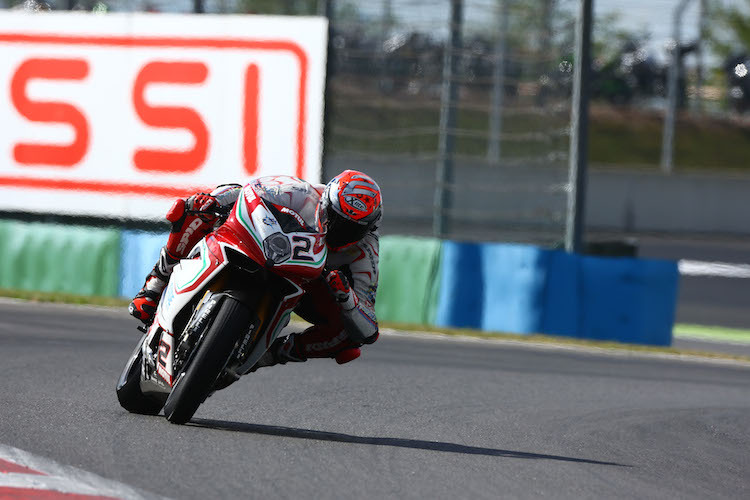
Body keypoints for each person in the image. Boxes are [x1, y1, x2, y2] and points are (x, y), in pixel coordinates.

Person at [129, 170, 382, 369]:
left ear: (369, 227)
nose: (340, 230)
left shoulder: (366, 251)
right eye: (336, 218)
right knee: (194, 208)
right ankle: (155, 284)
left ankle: (272, 353)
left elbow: (369, 326)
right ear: (326, 200)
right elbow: (249, 190)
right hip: (269, 250)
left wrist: (346, 297)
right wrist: (214, 199)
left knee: (350, 338)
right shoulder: (302, 193)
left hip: (307, 286)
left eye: (352, 228)